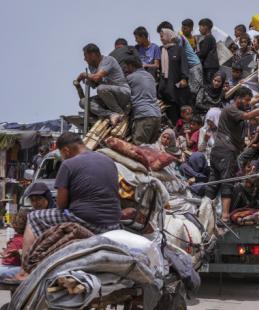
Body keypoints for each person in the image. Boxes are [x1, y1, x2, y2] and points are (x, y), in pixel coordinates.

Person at [22, 133, 121, 264]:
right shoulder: (108, 161)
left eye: (61, 155)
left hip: (87, 221)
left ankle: (25, 268)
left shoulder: (68, 164)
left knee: (34, 217)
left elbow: (61, 205)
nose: (62, 158)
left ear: (66, 150)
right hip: (113, 222)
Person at [205, 86, 259, 223]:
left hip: (219, 151)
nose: (249, 103)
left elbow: (255, 99)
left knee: (214, 183)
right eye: (246, 100)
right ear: (238, 99)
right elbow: (248, 116)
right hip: (226, 152)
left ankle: (205, 211)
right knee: (227, 182)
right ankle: (225, 216)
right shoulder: (231, 110)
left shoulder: (239, 106)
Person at [77, 43, 131, 126]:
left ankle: (119, 113)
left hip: (122, 93)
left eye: (86, 56)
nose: (85, 59)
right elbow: (95, 83)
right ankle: (110, 114)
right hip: (107, 97)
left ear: (93, 55)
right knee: (83, 102)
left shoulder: (108, 60)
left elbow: (97, 77)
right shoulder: (92, 66)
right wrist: (88, 80)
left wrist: (85, 75)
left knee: (101, 88)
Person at [157, 21, 203, 100]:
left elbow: (179, 53)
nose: (161, 37)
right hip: (188, 66)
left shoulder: (177, 38)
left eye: (162, 34)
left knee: (194, 90)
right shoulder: (171, 41)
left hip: (194, 66)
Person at [123, 56, 161, 145]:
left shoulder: (130, 78)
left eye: (126, 67)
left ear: (131, 65)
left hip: (144, 116)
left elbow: (124, 95)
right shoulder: (150, 76)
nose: (126, 69)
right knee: (151, 149)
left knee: (140, 148)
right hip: (157, 115)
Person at [158, 28, 190, 124]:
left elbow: (184, 64)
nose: (161, 39)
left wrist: (184, 78)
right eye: (160, 37)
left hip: (176, 84)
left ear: (169, 35)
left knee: (179, 107)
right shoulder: (161, 50)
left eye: (162, 36)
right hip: (165, 85)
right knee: (169, 109)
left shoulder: (178, 48)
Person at [197, 18, 219, 85]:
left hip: (209, 67)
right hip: (210, 66)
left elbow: (203, 53)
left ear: (205, 27)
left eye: (200, 27)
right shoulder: (209, 37)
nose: (199, 29)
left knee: (209, 85)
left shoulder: (208, 37)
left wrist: (194, 56)